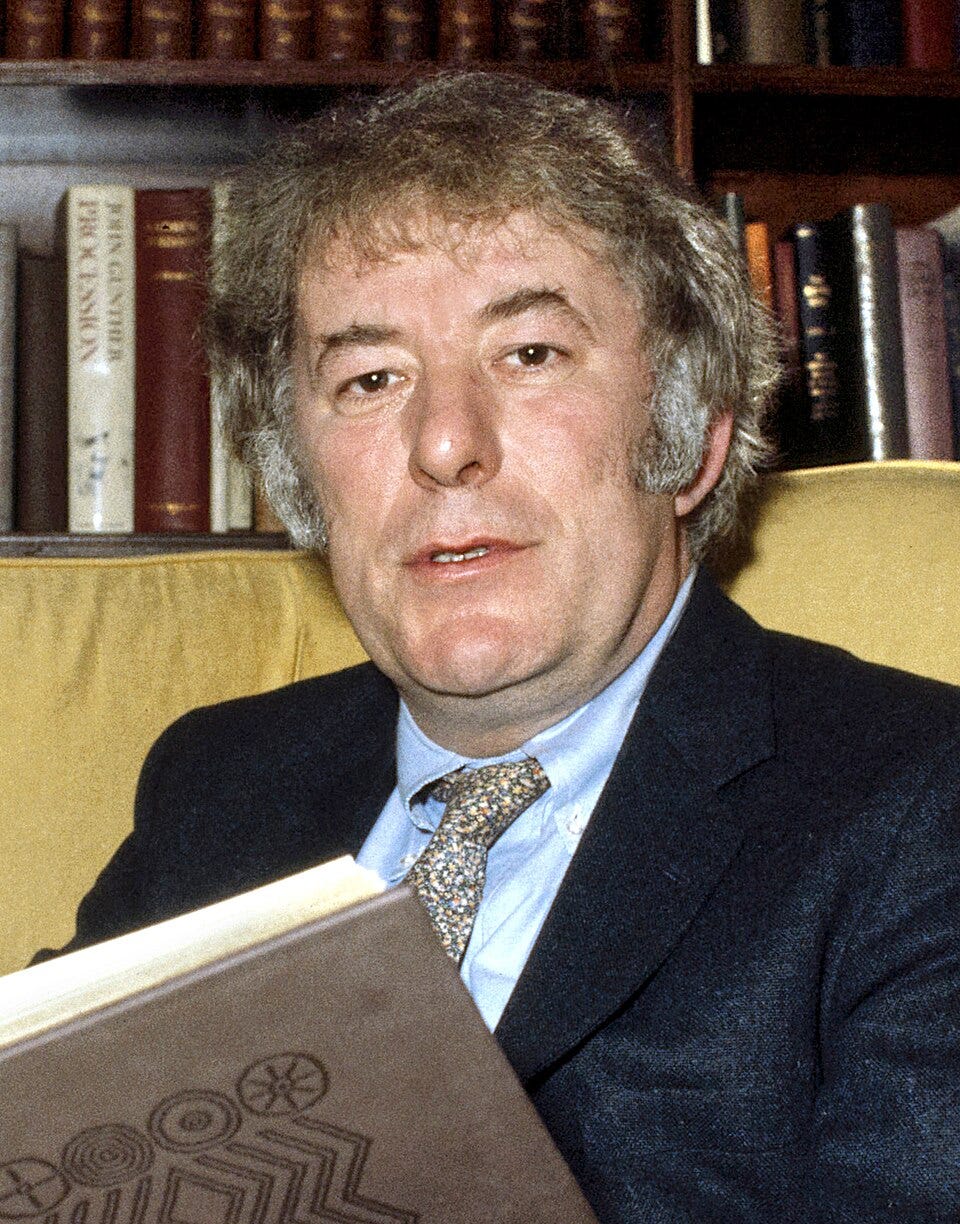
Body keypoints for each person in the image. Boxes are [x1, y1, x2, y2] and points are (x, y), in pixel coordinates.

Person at [62, 72, 960, 1221]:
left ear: (687, 439)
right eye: (370, 378)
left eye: (530, 354)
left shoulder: (920, 808)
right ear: (299, 481)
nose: (444, 443)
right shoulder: (216, 785)